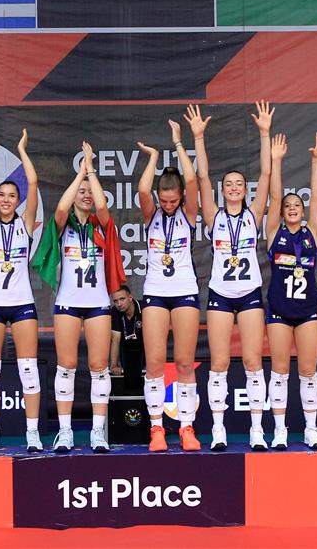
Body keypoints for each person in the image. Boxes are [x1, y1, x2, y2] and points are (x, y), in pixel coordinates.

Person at [186, 102, 272, 451]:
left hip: (249, 293)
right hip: (221, 293)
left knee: (252, 361)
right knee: (219, 362)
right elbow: (202, 177)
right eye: (229, 184)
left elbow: (266, 175)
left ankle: (257, 430)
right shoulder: (214, 216)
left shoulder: (254, 214)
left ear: (245, 190)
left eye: (239, 184)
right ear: (223, 191)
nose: (234, 187)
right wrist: (199, 138)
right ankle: (218, 429)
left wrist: (264, 133)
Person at [33, 142, 123, 453]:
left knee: (99, 366)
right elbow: (60, 209)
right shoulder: (64, 226)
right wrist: (79, 175)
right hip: (68, 304)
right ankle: (65, 431)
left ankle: (98, 432)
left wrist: (91, 172)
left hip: (97, 304)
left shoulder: (102, 226)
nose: (86, 195)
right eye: (81, 192)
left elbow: (102, 207)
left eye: (89, 191)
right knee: (67, 365)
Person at [0, 130, 42, 454]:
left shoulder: (25, 223)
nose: (6, 199)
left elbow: (34, 183)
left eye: (12, 196)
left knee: (29, 369)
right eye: (1, 195)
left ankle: (32, 433)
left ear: (18, 201)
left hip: (22, 303)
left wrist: (22, 150)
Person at [136, 121, 202, 452]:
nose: (168, 205)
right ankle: (157, 429)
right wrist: (153, 158)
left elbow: (191, 180)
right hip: (156, 292)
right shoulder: (152, 215)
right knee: (155, 363)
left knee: (185, 363)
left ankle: (187, 427)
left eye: (173, 201)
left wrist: (178, 144)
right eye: (164, 201)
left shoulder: (188, 214)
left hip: (185, 291)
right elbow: (142, 191)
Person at [264, 132, 317, 450]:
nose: (291, 208)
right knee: (279, 371)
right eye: (287, 205)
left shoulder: (311, 232)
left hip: (307, 311)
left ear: (302, 212)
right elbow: (274, 197)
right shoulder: (273, 232)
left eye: (296, 205)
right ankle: (280, 430)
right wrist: (276, 161)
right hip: (279, 309)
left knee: (307, 371)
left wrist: (316, 162)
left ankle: (311, 429)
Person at [110, 285, 144, 390]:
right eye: (115, 301)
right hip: (126, 349)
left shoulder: (144, 308)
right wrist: (114, 365)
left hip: (144, 348)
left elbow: (152, 339)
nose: (119, 304)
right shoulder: (114, 312)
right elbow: (115, 340)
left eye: (122, 299)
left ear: (130, 298)